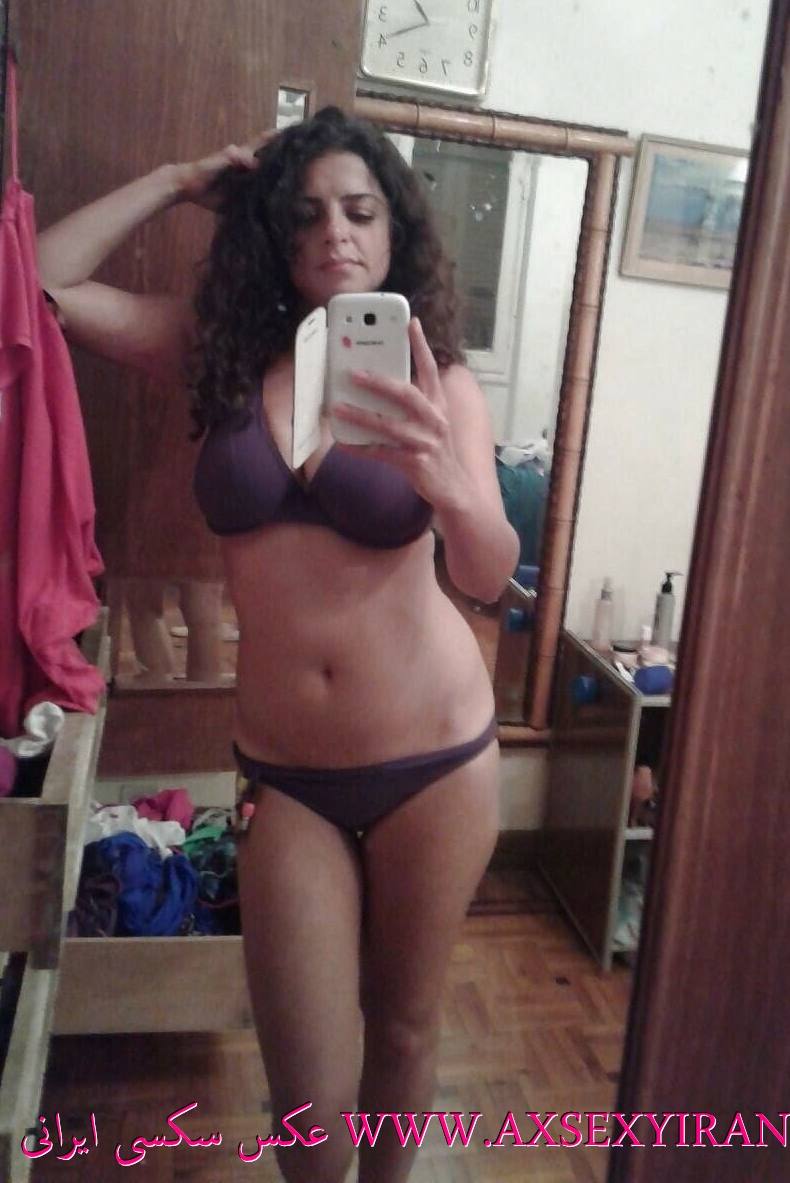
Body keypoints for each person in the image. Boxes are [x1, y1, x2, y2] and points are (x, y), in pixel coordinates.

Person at [37, 108, 520, 1183]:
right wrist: (175, 178)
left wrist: (448, 485)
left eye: (359, 210)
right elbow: (30, 282)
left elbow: (490, 572)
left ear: (395, 230)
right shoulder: (216, 354)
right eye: (304, 214)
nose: (333, 232)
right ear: (273, 231)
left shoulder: (439, 382)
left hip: (436, 760)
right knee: (304, 1088)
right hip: (287, 775)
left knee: (404, 1028)